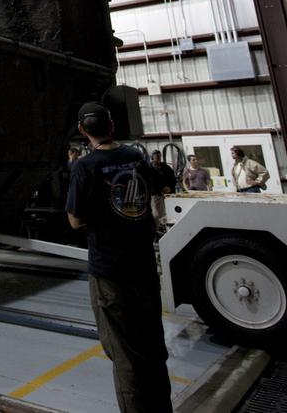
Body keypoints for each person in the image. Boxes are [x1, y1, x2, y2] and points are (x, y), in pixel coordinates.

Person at [66, 102, 173, 413]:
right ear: (111, 126)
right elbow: (156, 189)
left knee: (126, 357)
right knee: (153, 347)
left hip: (109, 271)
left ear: (82, 131)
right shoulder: (136, 157)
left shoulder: (85, 166)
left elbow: (75, 220)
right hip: (143, 265)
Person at [148, 151, 177, 230]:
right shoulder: (149, 169)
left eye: (159, 156)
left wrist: (169, 187)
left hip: (168, 195)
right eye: (156, 156)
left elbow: (173, 180)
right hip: (156, 194)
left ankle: (167, 228)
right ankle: (158, 229)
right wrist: (161, 188)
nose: (158, 158)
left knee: (168, 212)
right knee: (156, 214)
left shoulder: (166, 168)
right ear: (152, 157)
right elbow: (149, 182)